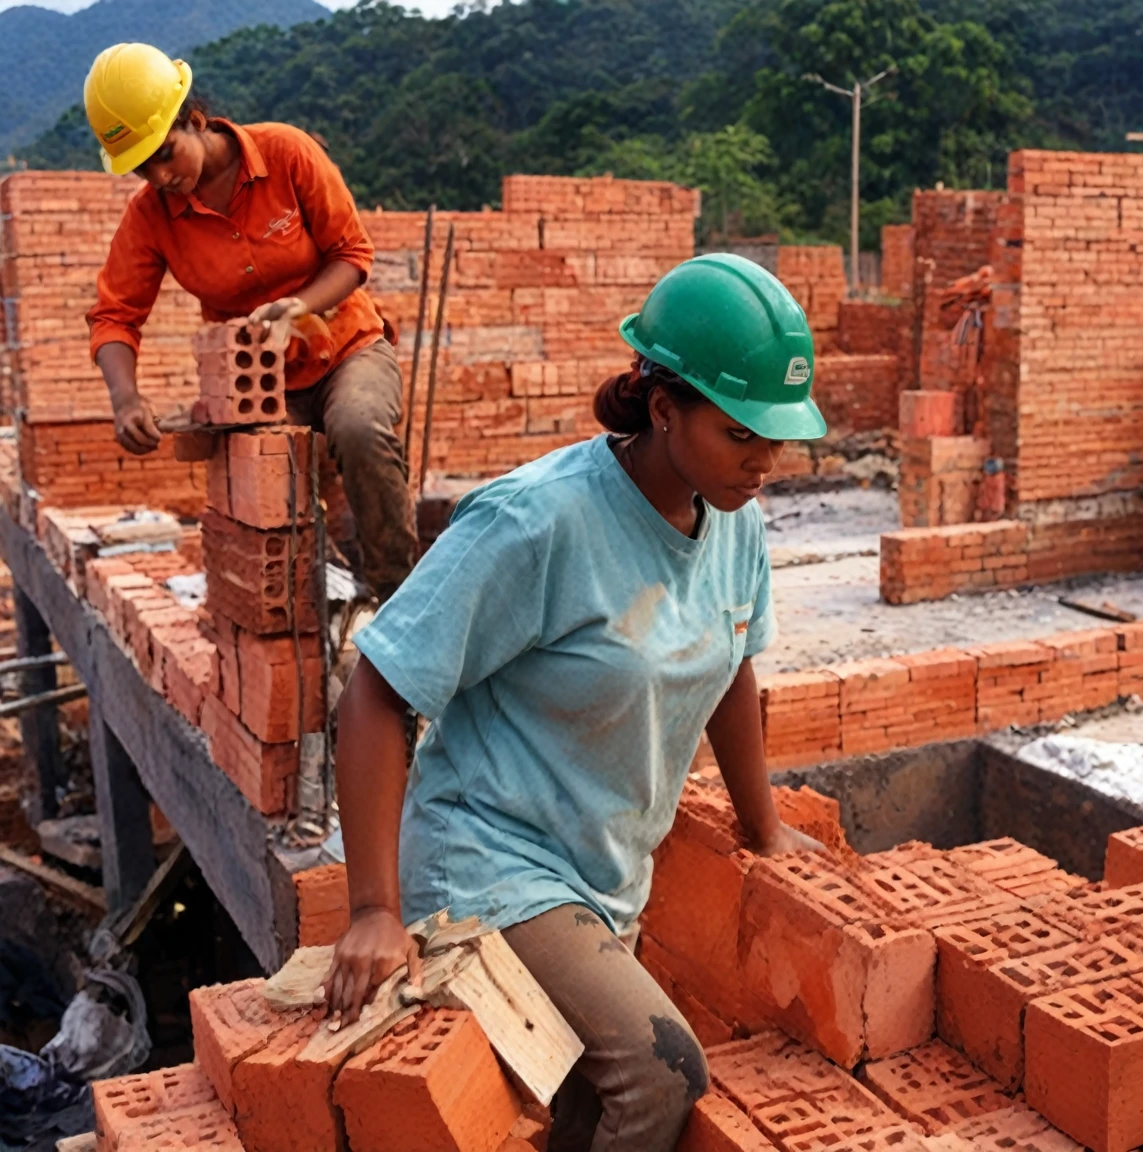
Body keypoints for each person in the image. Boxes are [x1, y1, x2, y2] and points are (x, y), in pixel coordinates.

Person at [321, 253, 828, 1151]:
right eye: (741, 433)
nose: (765, 462)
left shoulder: (735, 520)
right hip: (489, 860)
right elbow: (378, 687)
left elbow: (731, 668)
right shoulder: (537, 521)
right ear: (665, 408)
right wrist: (373, 909)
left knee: (579, 1111)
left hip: (603, 872)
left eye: (777, 438)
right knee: (660, 1068)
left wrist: (765, 828)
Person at [82, 42, 417, 601]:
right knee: (267, 472)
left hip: (346, 347)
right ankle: (308, 608)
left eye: (166, 153)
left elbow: (352, 255)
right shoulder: (150, 217)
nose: (160, 175)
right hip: (261, 384)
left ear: (194, 119)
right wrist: (124, 397)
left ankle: (400, 594)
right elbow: (115, 315)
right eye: (143, 167)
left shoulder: (285, 153)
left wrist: (301, 306)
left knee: (359, 430)